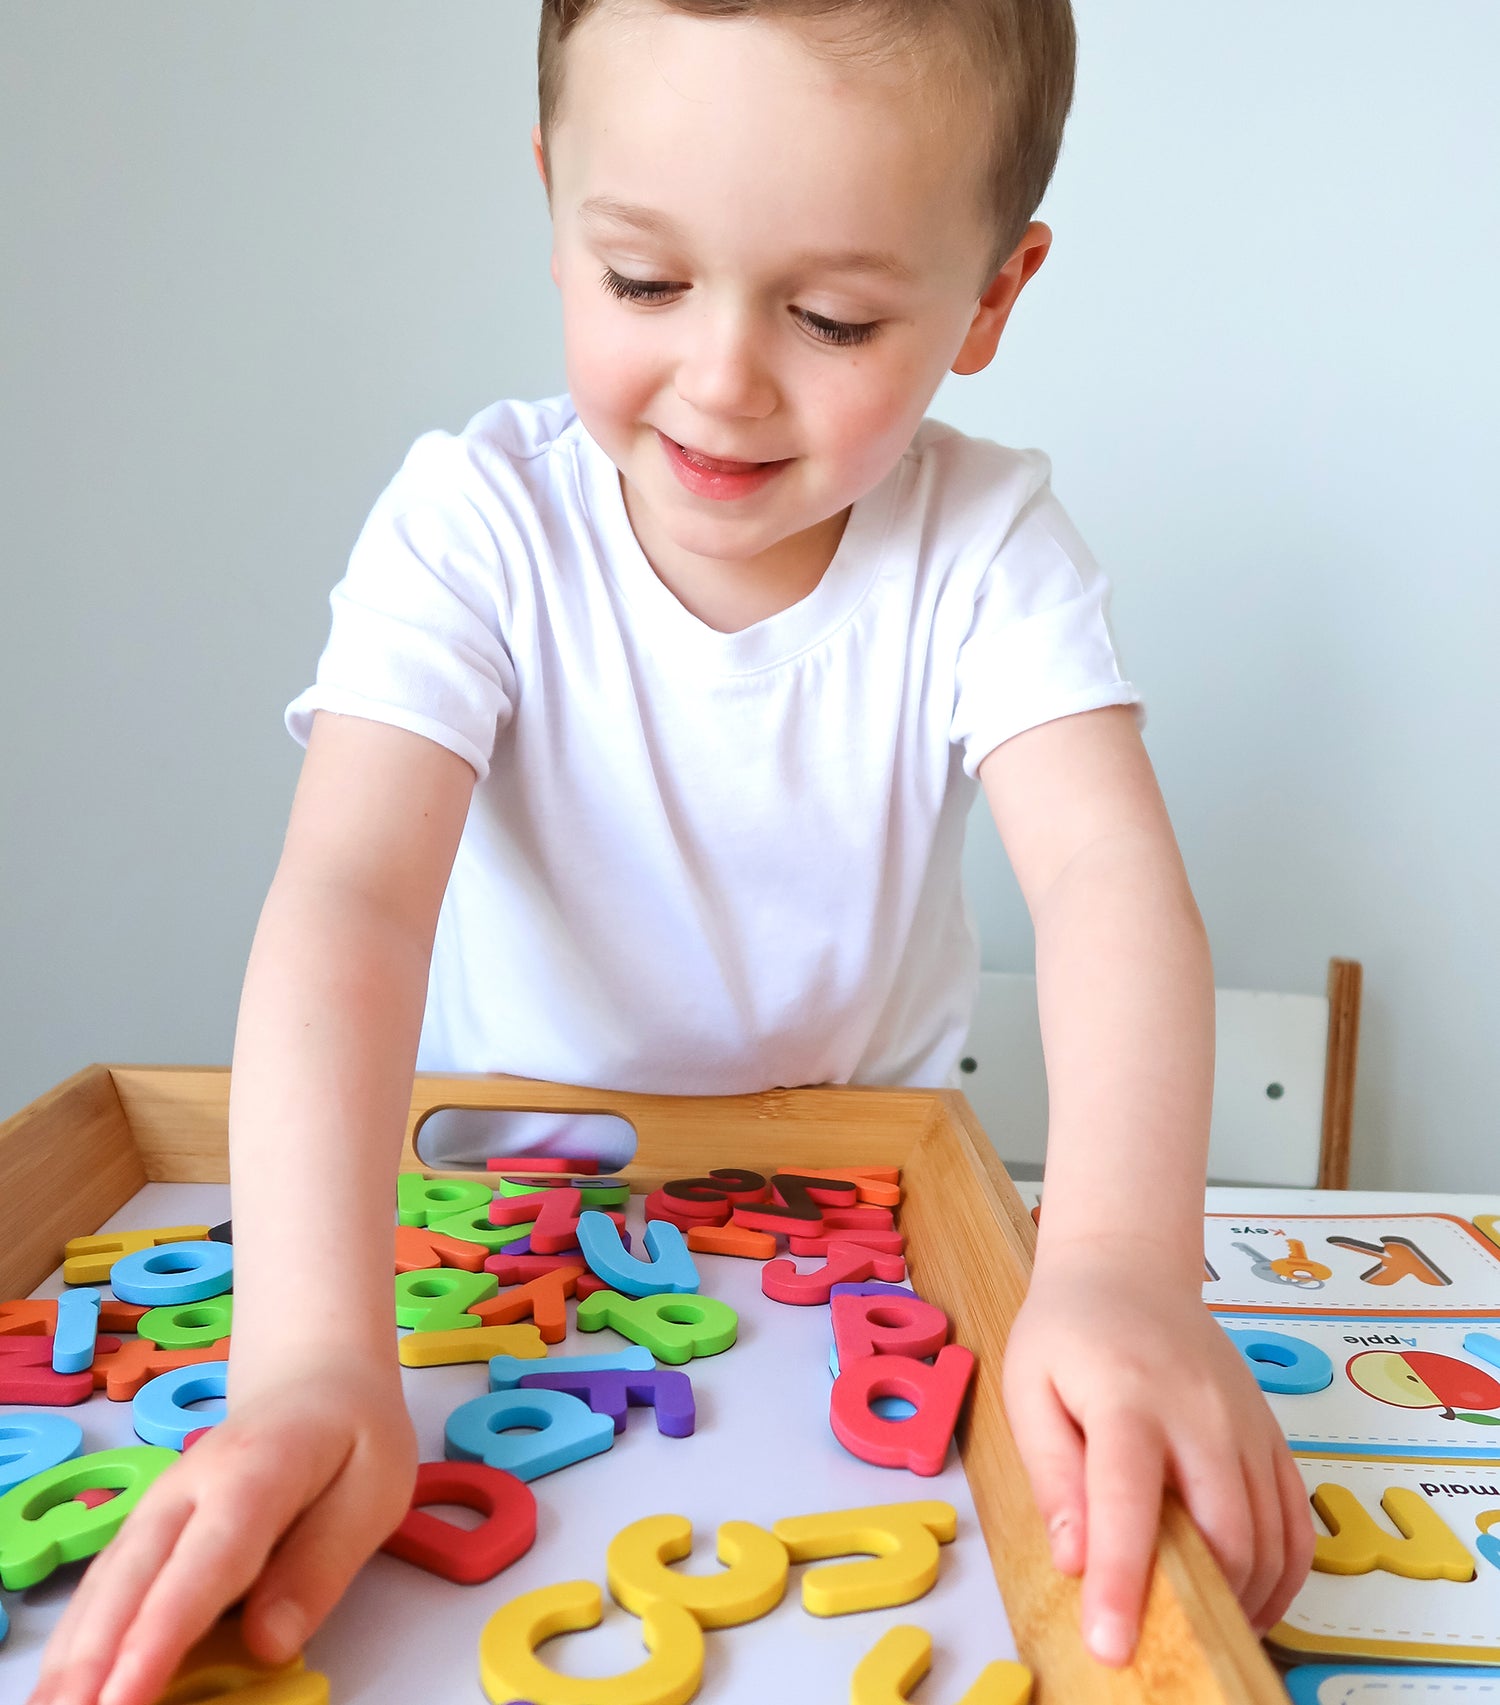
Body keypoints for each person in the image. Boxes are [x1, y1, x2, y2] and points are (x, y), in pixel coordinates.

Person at [28, 3, 1315, 1701]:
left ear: (993, 296)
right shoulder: (473, 522)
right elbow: (352, 898)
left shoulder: (986, 542)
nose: (722, 375)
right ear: (555, 198)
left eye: (836, 314)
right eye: (644, 281)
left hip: (847, 1232)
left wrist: (1124, 1266)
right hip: (488, 1218)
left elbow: (1105, 881)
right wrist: (312, 1350)